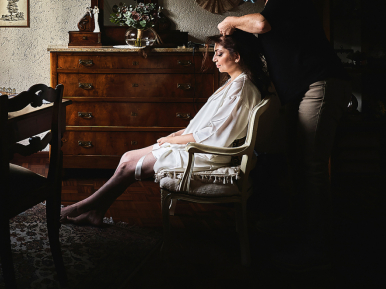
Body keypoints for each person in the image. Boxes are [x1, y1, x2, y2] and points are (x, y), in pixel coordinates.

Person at [217, 0, 350, 269]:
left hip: (320, 84)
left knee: (312, 164)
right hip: (298, 92)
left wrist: (232, 21)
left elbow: (261, 24)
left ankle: (319, 247)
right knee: (296, 161)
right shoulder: (270, 7)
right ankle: (296, 225)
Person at [60, 30, 269, 226]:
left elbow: (213, 135)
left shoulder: (241, 89)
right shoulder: (234, 83)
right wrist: (177, 134)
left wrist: (171, 140)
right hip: (196, 145)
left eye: (219, 53)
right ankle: (96, 212)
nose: (214, 59)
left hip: (205, 154)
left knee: (127, 166)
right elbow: (209, 124)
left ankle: (80, 207)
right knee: (126, 158)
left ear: (237, 56)